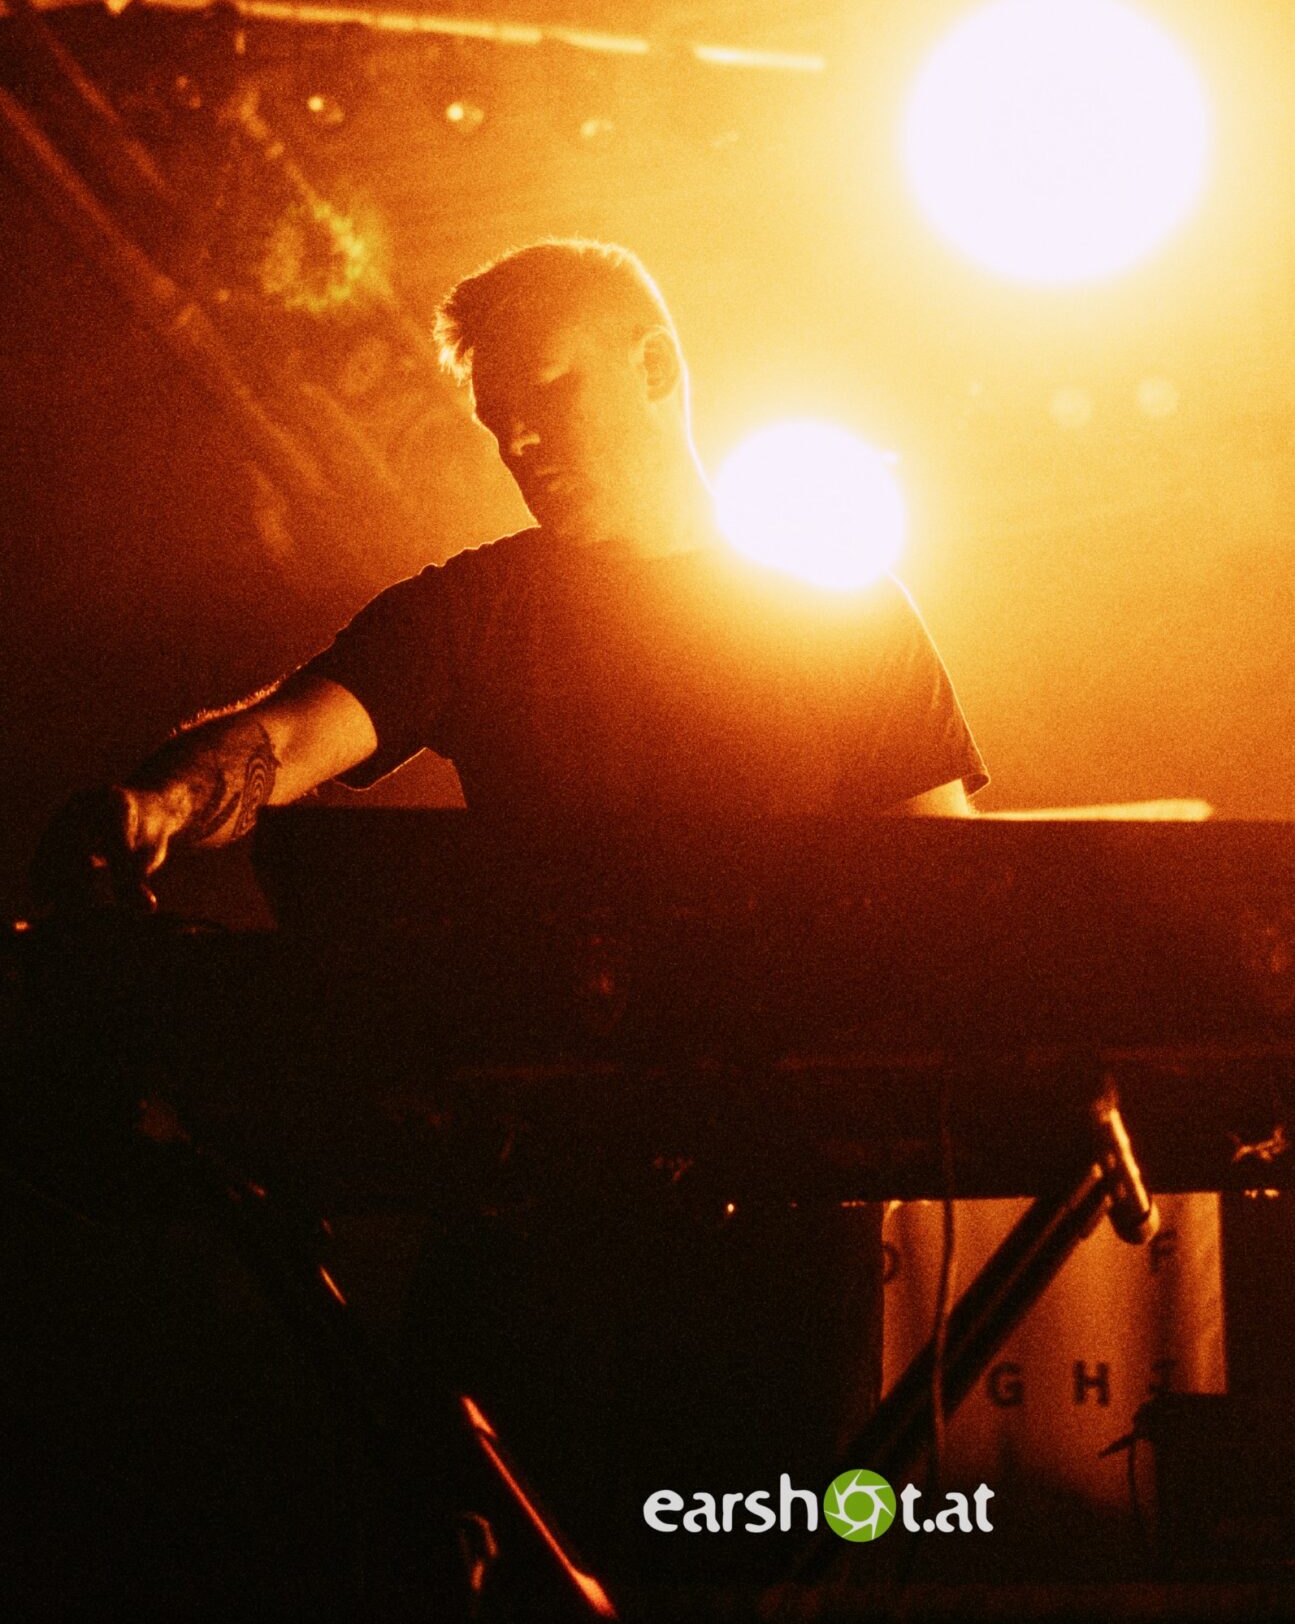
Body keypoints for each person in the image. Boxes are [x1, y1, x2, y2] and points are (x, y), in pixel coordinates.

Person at [35, 237, 987, 1591]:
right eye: (498, 416)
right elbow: (288, 737)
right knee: (476, 1547)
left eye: (548, 391)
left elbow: (951, 895)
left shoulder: (845, 618)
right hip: (534, 1179)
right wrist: (157, 805)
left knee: (756, 1558)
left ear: (655, 366)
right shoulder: (478, 609)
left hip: (783, 1193)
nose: (521, 438)